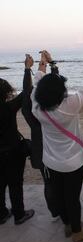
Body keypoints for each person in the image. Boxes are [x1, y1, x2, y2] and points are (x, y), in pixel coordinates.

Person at [32, 51, 83, 242]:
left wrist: (44, 64)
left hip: (51, 160)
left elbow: (37, 83)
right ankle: (77, 232)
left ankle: (67, 223)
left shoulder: (37, 107)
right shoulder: (70, 104)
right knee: (72, 197)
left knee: (59, 194)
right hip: (74, 161)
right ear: (61, 93)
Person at [21, 53, 59, 221]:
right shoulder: (51, 109)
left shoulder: (31, 113)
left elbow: (27, 94)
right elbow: (56, 87)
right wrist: (51, 64)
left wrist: (29, 69)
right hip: (51, 152)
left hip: (44, 152)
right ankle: (59, 211)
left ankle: (56, 211)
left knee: (49, 183)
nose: (41, 66)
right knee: (54, 184)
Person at [0, 56, 35, 225]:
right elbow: (26, 92)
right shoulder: (8, 107)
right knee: (15, 183)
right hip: (12, 151)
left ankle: (1, 214)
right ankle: (19, 214)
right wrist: (28, 69)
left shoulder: (8, 107)